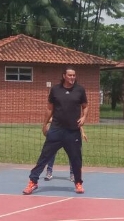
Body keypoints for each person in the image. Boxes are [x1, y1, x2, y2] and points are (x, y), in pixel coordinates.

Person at [23, 67, 87, 195]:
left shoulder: (80, 90)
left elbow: (85, 106)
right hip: (56, 130)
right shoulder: (55, 90)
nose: (72, 77)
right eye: (70, 75)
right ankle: (33, 182)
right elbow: (49, 108)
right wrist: (44, 124)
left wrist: (84, 117)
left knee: (76, 159)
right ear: (64, 76)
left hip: (73, 131)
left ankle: (78, 183)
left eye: (74, 75)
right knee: (44, 157)